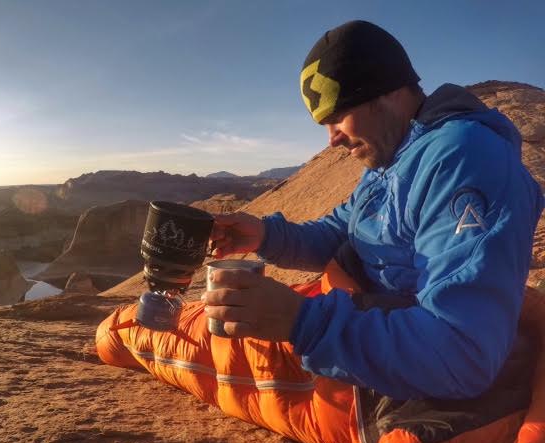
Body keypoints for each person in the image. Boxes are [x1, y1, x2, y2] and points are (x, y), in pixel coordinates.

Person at [203, 19, 544, 401]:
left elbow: (462, 353)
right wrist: (265, 235)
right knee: (201, 324)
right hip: (367, 319)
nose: (331, 140)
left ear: (386, 92)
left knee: (209, 344)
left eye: (336, 117)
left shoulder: (462, 159)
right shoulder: (393, 159)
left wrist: (300, 322)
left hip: (405, 351)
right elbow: (339, 231)